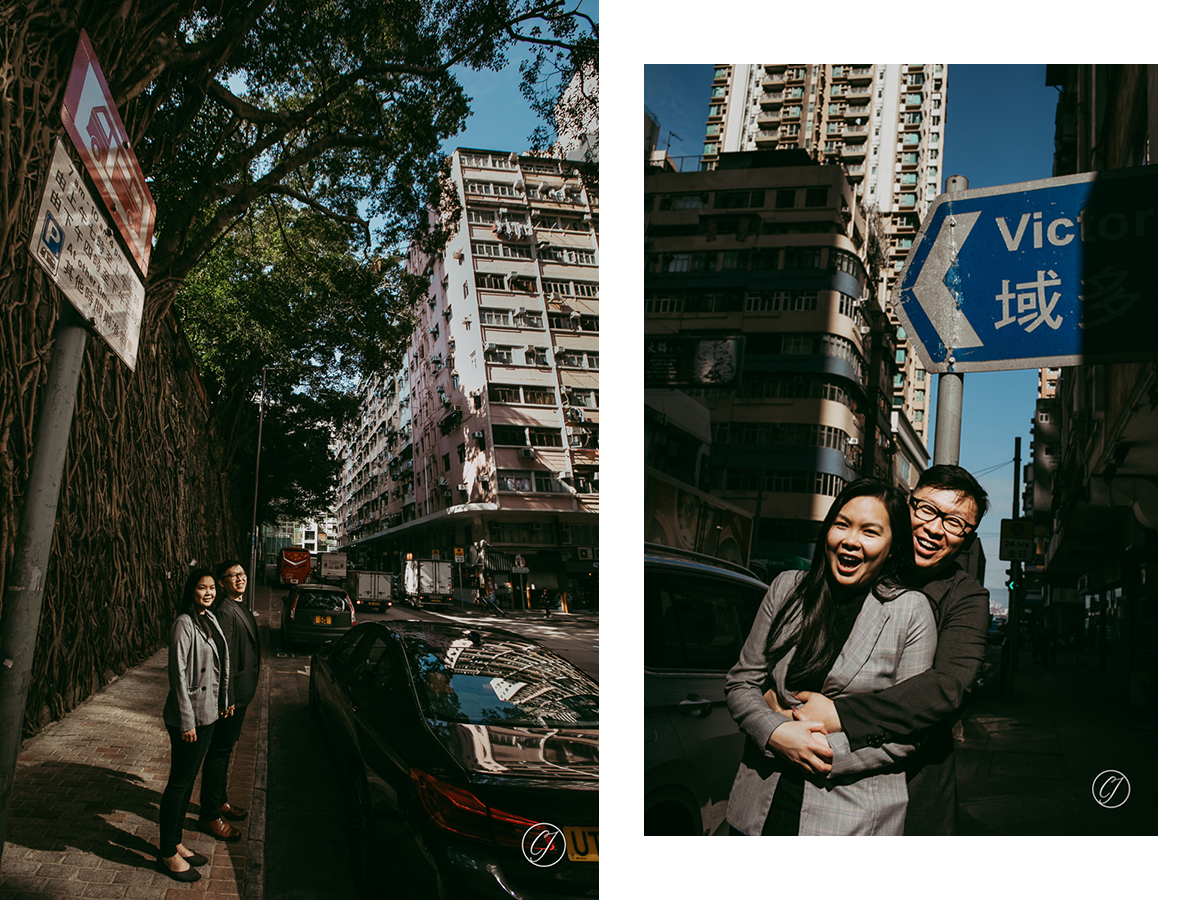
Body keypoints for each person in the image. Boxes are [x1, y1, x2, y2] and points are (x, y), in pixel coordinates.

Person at [768, 464, 991, 835]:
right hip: (801, 777)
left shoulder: (966, 597)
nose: (935, 529)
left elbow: (947, 688)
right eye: (927, 510)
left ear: (966, 540)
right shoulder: (858, 566)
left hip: (911, 781)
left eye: (955, 523)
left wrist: (841, 713)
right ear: (907, 505)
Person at [724, 478, 936, 835]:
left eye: (870, 532)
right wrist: (776, 732)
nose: (851, 540)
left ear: (892, 545)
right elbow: (742, 681)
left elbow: (911, 726)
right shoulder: (787, 589)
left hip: (851, 815)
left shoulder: (910, 611)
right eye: (842, 524)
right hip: (760, 801)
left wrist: (815, 748)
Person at [158, 568, 232, 882]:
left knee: (187, 781)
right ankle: (166, 852)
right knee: (179, 784)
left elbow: (220, 665)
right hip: (189, 718)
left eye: (213, 588)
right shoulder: (184, 623)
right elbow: (177, 673)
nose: (209, 593)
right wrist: (187, 720)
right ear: (192, 590)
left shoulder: (210, 618)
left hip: (209, 713)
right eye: (202, 588)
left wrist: (224, 699)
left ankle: (176, 842)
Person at [198, 559, 260, 842]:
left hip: (240, 694)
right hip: (231, 697)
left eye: (242, 574)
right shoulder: (224, 610)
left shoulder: (240, 605)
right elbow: (225, 658)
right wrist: (228, 698)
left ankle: (220, 799)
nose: (240, 579)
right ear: (221, 582)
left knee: (226, 750)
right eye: (232, 576)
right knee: (219, 752)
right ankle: (210, 814)